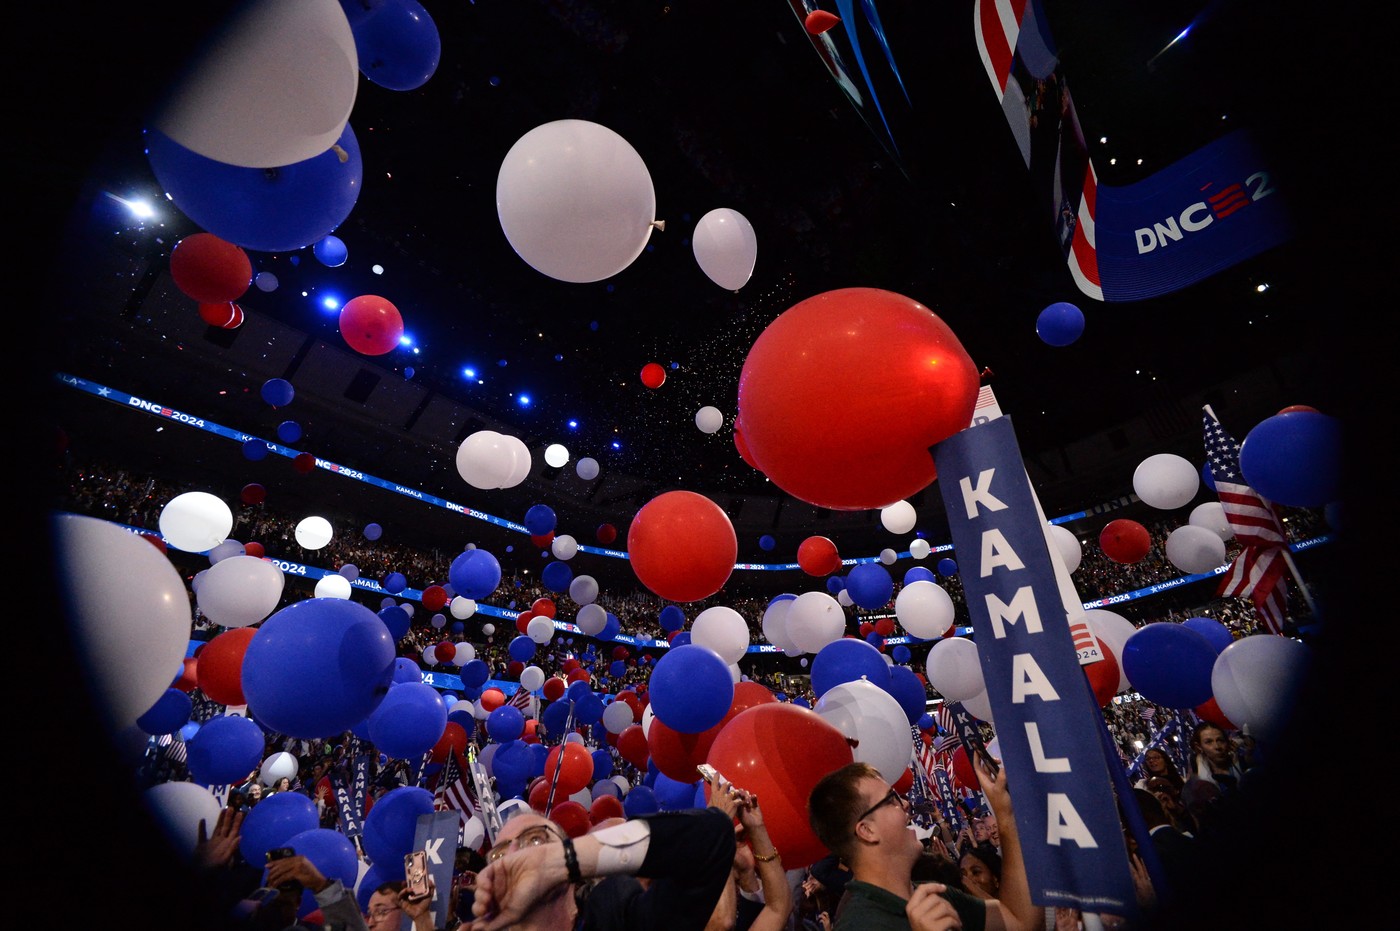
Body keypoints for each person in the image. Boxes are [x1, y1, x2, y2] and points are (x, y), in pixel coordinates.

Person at [463, 780, 737, 931]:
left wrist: (563, 861)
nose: (514, 855)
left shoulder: (611, 913)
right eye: (499, 853)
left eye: (536, 840)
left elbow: (712, 837)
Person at [806, 754, 1039, 931]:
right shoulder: (860, 924)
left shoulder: (933, 893)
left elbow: (1019, 921)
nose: (906, 805)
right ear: (867, 830)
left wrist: (1005, 815)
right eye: (892, 799)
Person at [1179, 722, 1245, 834]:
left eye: (1220, 740)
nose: (1217, 747)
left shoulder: (1243, 765)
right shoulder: (1197, 786)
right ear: (1199, 747)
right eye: (1208, 742)